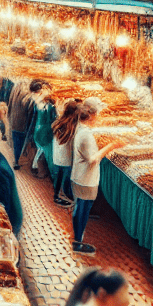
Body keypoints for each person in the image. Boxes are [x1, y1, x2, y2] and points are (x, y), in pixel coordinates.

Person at [66, 100, 105, 255]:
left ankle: (78, 238)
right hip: (85, 179)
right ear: (92, 117)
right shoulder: (85, 135)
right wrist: (110, 147)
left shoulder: (80, 128)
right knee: (82, 210)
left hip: (79, 176)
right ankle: (78, 242)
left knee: (80, 207)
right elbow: (93, 159)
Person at [8, 79, 46, 170]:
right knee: (21, 143)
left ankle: (16, 160)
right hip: (22, 124)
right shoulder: (29, 98)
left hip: (14, 120)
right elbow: (31, 115)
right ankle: (19, 160)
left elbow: (10, 103)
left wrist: (9, 115)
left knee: (16, 142)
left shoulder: (16, 88)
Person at [51, 99, 79, 207]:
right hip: (65, 158)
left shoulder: (59, 121)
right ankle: (64, 197)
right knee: (65, 179)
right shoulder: (72, 126)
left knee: (58, 177)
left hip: (57, 156)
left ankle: (56, 196)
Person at [32, 88, 57, 178]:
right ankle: (47, 174)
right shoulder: (50, 107)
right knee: (47, 155)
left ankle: (41, 171)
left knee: (42, 152)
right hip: (44, 133)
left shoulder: (39, 105)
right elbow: (52, 120)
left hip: (39, 131)